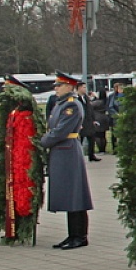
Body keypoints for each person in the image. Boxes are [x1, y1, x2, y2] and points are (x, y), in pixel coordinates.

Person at [41, 72, 93, 249]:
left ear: (69, 87)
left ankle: (80, 235)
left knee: (75, 194)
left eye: (59, 85)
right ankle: (73, 234)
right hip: (61, 151)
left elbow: (61, 131)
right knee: (69, 195)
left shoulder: (72, 105)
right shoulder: (60, 104)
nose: (56, 88)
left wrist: (43, 141)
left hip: (68, 150)